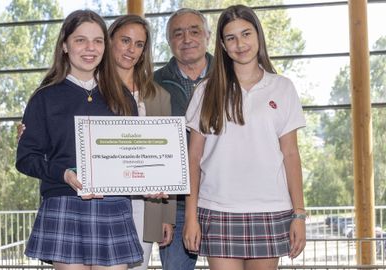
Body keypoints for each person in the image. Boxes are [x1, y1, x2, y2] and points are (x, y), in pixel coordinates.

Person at [15, 10, 143, 270]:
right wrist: (63, 174)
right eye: (80, 40)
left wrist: (150, 179)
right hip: (64, 203)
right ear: (65, 45)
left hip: (113, 205)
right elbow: (26, 159)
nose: (90, 48)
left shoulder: (122, 98)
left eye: (98, 41)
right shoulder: (44, 98)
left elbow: (133, 155)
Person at [183, 5, 307, 270]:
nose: (240, 44)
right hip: (217, 210)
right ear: (223, 46)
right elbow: (192, 158)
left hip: (270, 209)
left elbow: (291, 155)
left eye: (246, 34)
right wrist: (190, 216)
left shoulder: (283, 88)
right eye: (231, 38)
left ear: (258, 36)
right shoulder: (206, 91)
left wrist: (299, 214)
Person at [108, 14, 176, 270]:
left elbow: (167, 159)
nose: (131, 50)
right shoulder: (91, 89)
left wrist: (166, 216)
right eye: (125, 40)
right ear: (110, 39)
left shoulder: (158, 96)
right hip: (99, 202)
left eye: (139, 44)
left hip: (144, 205)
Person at [153, 8, 212, 270]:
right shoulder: (152, 84)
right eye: (178, 33)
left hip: (223, 199)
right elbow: (149, 150)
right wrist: (160, 214)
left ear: (208, 36)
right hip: (174, 204)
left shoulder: (232, 75)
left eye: (194, 31)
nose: (186, 38)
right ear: (169, 42)